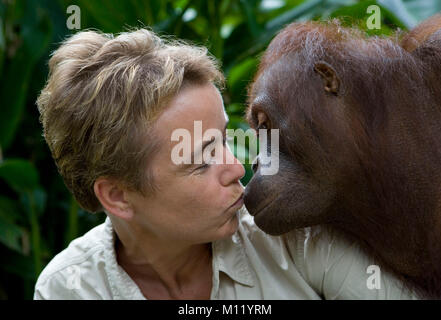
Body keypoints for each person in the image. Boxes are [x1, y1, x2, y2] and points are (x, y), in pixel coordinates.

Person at [34, 29, 417, 299]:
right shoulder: (71, 289)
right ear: (117, 196)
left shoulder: (288, 236)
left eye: (225, 139)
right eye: (201, 161)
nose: (237, 169)